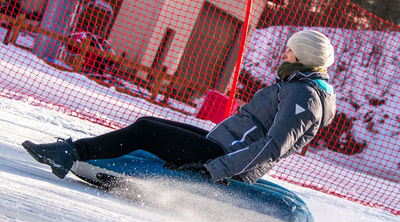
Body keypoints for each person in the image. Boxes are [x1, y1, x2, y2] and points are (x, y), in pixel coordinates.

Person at [22, 30, 336, 185]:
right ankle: (87, 152)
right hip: (221, 145)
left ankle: (71, 153)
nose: (285, 53)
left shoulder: (303, 98)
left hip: (225, 158)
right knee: (148, 121)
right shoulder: (297, 86)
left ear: (304, 57)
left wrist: (216, 168)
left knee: (147, 131)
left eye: (290, 51)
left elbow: (273, 147)